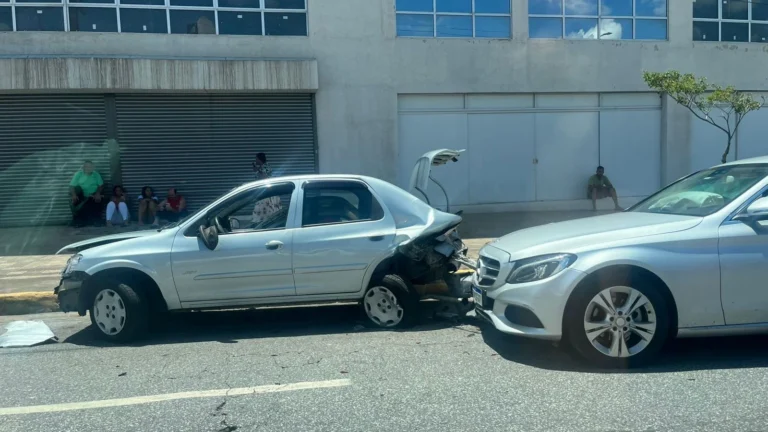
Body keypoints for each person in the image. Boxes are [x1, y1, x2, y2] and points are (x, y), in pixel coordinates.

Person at [69, 160, 105, 227]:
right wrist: (74, 195)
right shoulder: (78, 174)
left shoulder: (96, 174)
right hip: (81, 196)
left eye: (90, 167)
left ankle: (97, 220)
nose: (88, 168)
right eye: (86, 167)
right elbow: (71, 186)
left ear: (93, 167)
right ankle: (78, 221)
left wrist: (97, 193)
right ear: (83, 168)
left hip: (92, 195)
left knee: (100, 199)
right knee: (76, 196)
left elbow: (101, 185)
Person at [252, 152, 282, 225]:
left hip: (266, 192)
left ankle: (261, 223)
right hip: (267, 192)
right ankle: (266, 223)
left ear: (259, 159)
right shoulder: (263, 166)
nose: (255, 160)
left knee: (264, 209)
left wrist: (256, 171)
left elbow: (264, 178)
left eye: (256, 159)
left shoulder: (265, 167)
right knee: (268, 210)